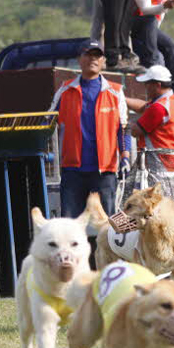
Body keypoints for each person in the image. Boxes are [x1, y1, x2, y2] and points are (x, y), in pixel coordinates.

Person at [50, 40, 131, 217]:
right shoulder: (65, 89)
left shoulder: (115, 91)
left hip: (105, 171)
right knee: (70, 226)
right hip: (72, 171)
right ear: (80, 59)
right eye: (88, 54)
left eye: (97, 55)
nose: (92, 59)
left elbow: (123, 128)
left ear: (103, 60)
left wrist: (126, 156)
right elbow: (48, 123)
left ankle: (109, 246)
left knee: (110, 225)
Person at [128, 65, 174, 198]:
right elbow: (143, 107)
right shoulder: (170, 100)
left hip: (159, 165)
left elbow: (136, 131)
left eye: (147, 84)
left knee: (156, 207)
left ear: (157, 85)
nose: (145, 87)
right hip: (167, 163)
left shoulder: (159, 108)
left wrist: (122, 122)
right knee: (148, 204)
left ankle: (125, 219)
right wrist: (122, 100)